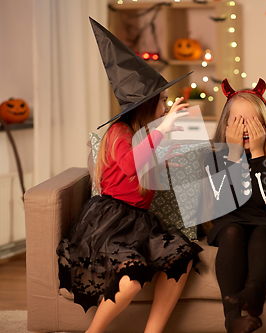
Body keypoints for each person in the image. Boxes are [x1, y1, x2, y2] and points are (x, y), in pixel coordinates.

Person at [57, 18, 201, 333]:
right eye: (162, 101)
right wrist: (163, 129)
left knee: (181, 256)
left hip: (139, 220)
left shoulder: (145, 132)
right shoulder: (119, 132)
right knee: (131, 281)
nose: (165, 107)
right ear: (147, 104)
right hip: (109, 221)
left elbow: (144, 173)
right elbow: (130, 166)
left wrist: (167, 161)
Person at [203, 78, 266, 333]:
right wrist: (234, 155)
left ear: (265, 125)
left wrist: (258, 156)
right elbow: (224, 203)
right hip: (231, 221)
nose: (245, 128)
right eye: (238, 121)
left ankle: (255, 294)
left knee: (262, 233)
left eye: (251, 121)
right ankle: (232, 317)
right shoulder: (214, 158)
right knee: (232, 231)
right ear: (226, 125)